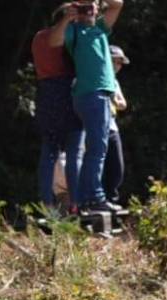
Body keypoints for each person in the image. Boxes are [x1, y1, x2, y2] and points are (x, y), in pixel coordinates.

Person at [50, 0, 125, 214]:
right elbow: (54, 41)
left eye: (92, 6)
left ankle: (85, 198)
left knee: (95, 149)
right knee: (97, 149)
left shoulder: (100, 28)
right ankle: (94, 197)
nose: (89, 10)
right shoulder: (74, 30)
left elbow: (118, 5)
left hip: (98, 95)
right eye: (84, 7)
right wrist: (68, 16)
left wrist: (95, 2)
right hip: (92, 94)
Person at [32, 9, 83, 211]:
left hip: (45, 92)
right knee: (73, 152)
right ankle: (75, 202)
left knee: (49, 151)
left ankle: (47, 203)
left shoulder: (38, 36)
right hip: (65, 91)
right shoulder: (60, 37)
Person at [102, 45, 129, 205]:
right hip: (98, 125)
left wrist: (113, 98)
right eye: (115, 61)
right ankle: (99, 199)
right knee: (99, 164)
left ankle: (112, 198)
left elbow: (122, 104)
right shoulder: (98, 78)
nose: (118, 66)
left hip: (112, 126)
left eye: (120, 63)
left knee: (117, 166)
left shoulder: (114, 82)